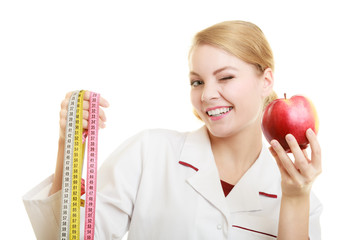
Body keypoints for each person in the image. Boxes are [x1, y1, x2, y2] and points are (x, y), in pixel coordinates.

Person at [23, 20, 322, 239]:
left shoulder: (298, 194)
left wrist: (296, 198)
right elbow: (63, 237)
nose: (207, 95)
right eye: (197, 81)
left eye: (226, 77)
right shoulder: (149, 153)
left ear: (266, 80)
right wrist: (70, 142)